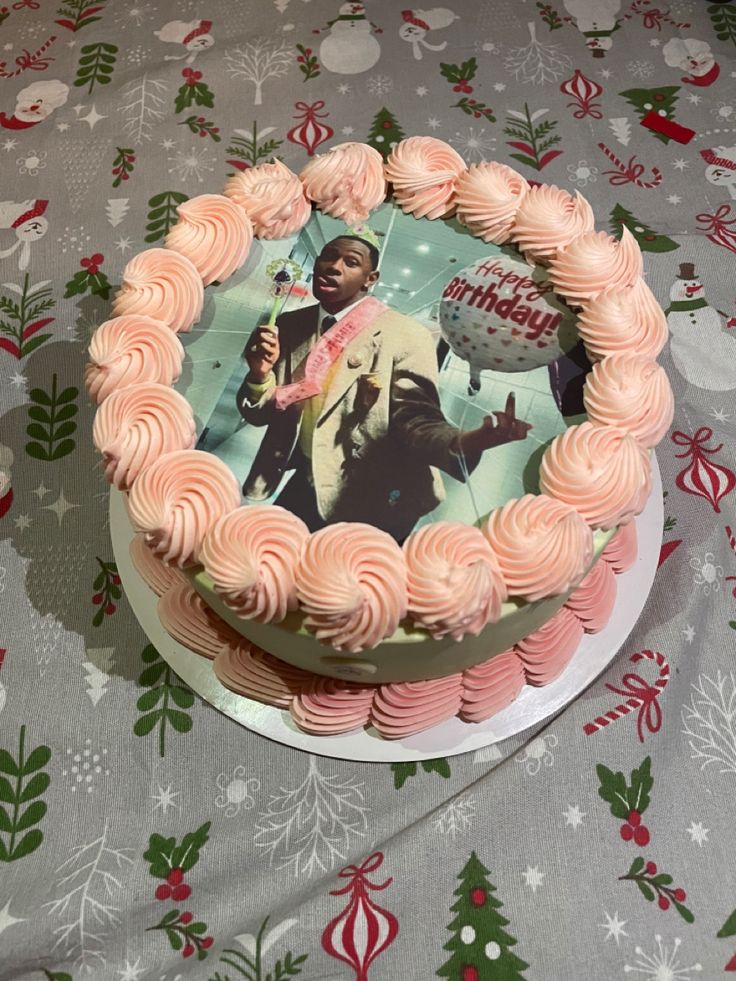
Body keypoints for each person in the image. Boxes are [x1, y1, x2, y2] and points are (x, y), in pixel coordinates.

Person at [237, 231, 532, 540]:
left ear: (370, 278)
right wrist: (259, 375)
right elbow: (261, 414)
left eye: (351, 262)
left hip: (379, 495)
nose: (333, 267)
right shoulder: (289, 325)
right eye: (328, 256)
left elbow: (417, 418)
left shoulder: (406, 335)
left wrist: (471, 440)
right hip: (311, 477)